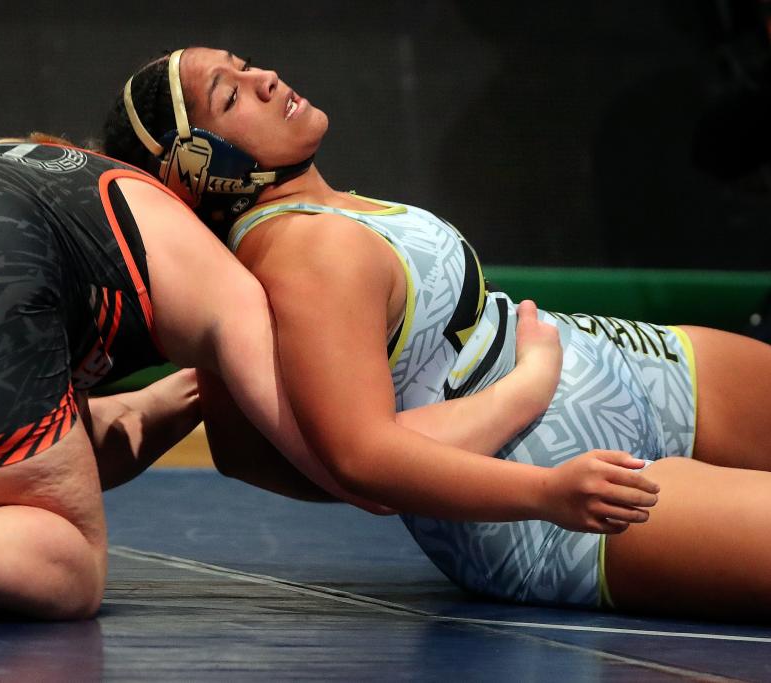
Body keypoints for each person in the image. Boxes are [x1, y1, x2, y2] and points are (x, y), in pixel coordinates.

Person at [100, 47, 771, 620]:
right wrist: (532, 439)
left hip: (616, 367)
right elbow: (360, 460)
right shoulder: (300, 251)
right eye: (230, 94)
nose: (266, 78)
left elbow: (245, 449)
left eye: (246, 67)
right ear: (194, 165)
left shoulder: (290, 233)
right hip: (545, 491)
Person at [0, 136, 567, 645]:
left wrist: (191, 394)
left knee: (13, 461)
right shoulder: (228, 285)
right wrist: (525, 388)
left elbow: (80, 435)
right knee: (68, 559)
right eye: (227, 94)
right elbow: (359, 466)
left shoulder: (56, 163)